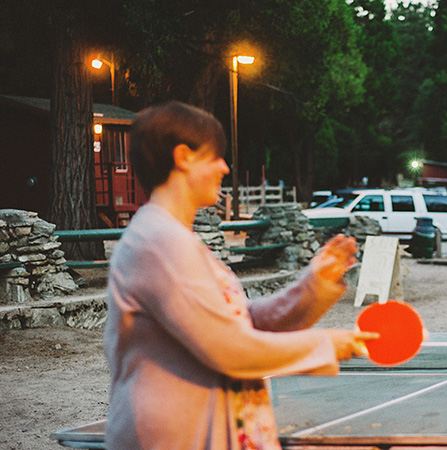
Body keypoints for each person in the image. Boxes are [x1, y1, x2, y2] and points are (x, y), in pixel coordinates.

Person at [103, 101, 376, 450]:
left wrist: (314, 286)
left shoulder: (171, 236)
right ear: (183, 156)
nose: (225, 167)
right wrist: (329, 344)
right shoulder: (159, 241)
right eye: (215, 156)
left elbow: (239, 322)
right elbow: (229, 348)